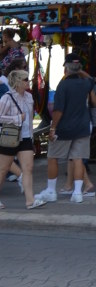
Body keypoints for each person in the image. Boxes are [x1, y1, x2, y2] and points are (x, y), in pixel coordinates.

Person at [33, 55, 96, 207]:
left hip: (65, 127)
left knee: (53, 157)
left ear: (66, 67)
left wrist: (53, 127)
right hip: (82, 126)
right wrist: (80, 70)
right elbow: (92, 80)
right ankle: (78, 193)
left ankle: (51, 190)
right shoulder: (85, 83)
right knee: (78, 158)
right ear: (79, 68)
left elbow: (58, 110)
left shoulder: (63, 85)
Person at [0, 67, 36, 210]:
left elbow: (31, 117)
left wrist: (32, 136)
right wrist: (16, 118)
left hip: (26, 137)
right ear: (18, 82)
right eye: (25, 79)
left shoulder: (29, 97)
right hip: (10, 137)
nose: (28, 82)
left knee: (28, 168)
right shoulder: (6, 98)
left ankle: (30, 201)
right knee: (2, 169)